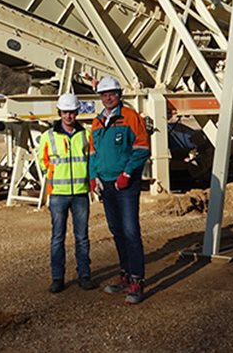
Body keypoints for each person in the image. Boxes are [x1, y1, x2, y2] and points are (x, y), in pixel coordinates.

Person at [89, 76, 150, 305]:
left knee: (131, 231)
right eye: (104, 95)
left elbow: (142, 148)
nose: (108, 97)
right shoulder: (97, 122)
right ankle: (125, 273)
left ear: (119, 94)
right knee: (117, 230)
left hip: (125, 185)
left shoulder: (130, 117)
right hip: (106, 185)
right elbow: (93, 153)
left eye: (112, 93)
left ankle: (137, 279)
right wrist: (93, 177)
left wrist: (127, 174)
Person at [37, 92, 98, 293]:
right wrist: (51, 173)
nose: (68, 116)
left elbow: (92, 160)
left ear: (76, 113)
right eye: (65, 112)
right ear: (59, 113)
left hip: (80, 193)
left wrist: (91, 181)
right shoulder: (48, 136)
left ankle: (84, 275)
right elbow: (42, 160)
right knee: (57, 237)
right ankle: (57, 278)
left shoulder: (86, 135)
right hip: (58, 194)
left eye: (71, 112)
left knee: (82, 237)